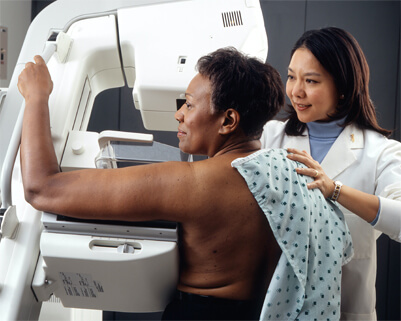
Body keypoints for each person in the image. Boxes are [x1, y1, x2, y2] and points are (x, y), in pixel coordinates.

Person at [18, 47, 352, 320]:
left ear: (228, 120)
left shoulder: (194, 184)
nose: (178, 115)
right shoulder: (294, 173)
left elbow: (41, 188)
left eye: (189, 105)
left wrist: (36, 98)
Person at [261, 27, 401, 321]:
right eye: (291, 76)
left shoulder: (381, 153)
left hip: (348, 311)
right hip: (277, 308)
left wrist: (335, 190)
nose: (296, 91)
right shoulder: (268, 138)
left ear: (343, 88)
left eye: (310, 81)